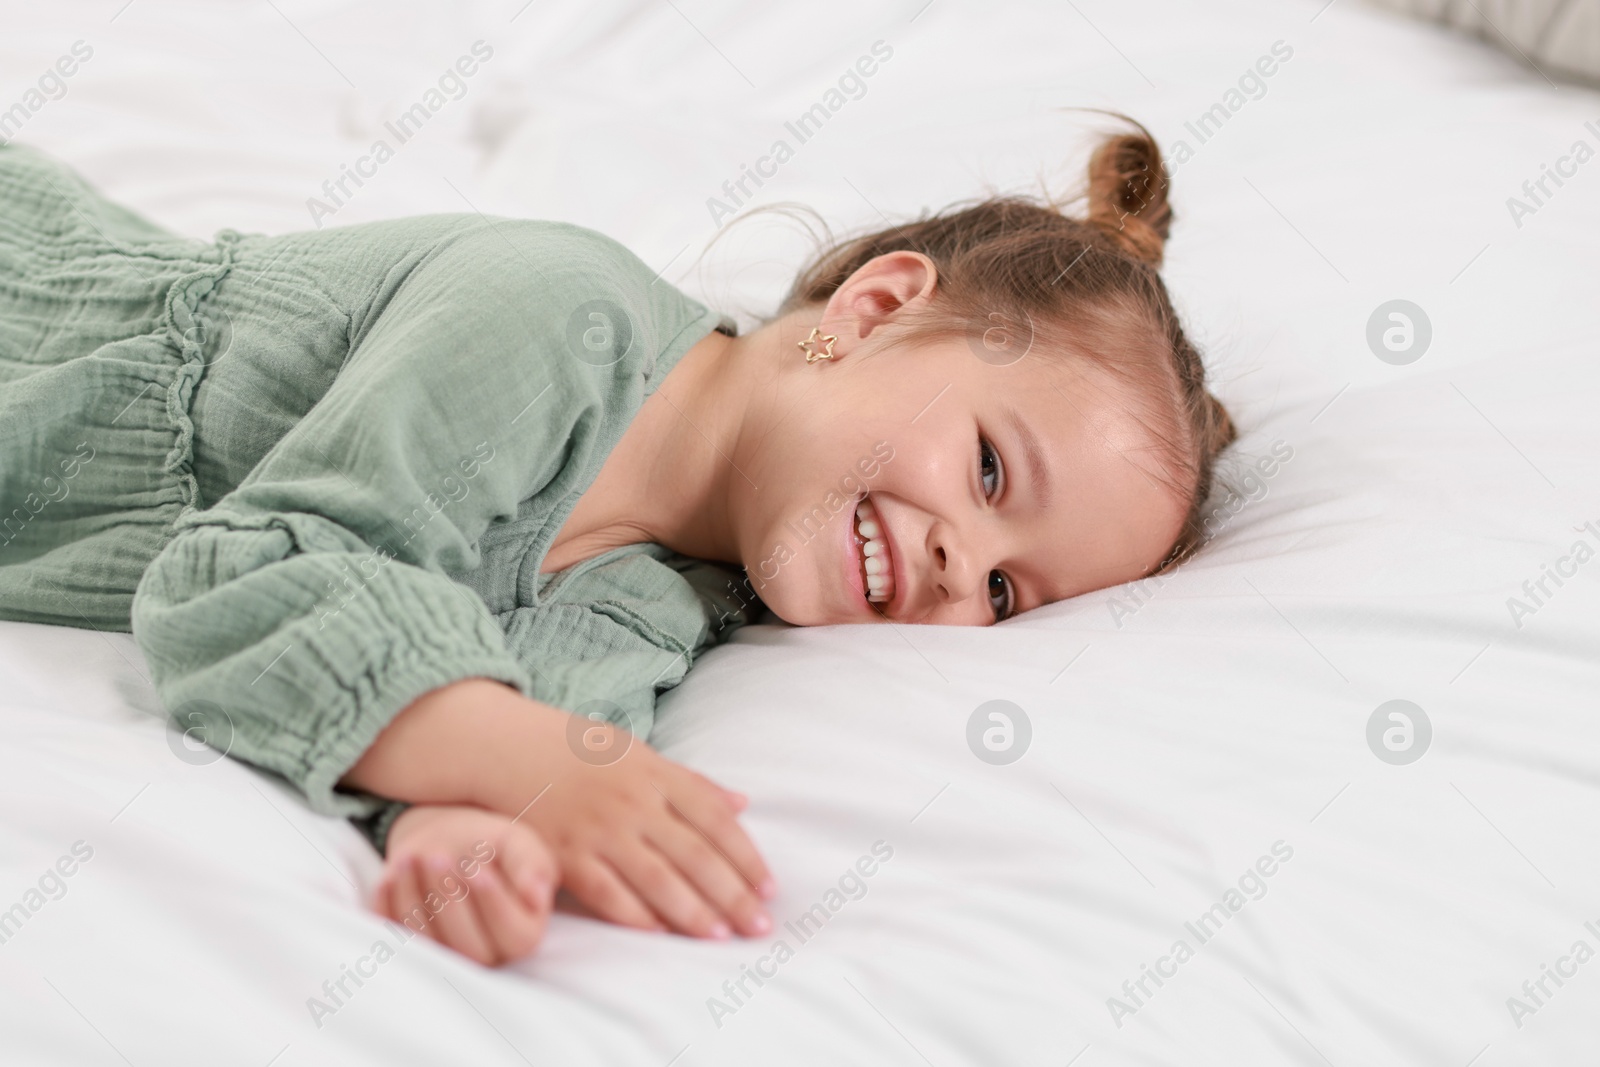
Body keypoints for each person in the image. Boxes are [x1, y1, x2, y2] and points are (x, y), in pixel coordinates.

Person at [0, 117, 1235, 966]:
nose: (963, 562)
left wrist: (454, 817)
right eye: (985, 468)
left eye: (1012, 593)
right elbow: (242, 571)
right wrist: (518, 755)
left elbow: (502, 709)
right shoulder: (555, 313)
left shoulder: (676, 598)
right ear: (871, 312)